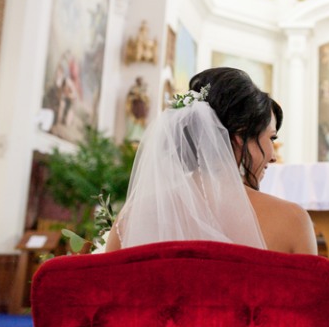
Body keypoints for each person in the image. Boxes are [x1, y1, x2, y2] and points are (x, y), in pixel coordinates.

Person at [107, 67, 317, 255]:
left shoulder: (130, 219)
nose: (273, 155)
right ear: (240, 137)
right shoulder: (291, 221)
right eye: (271, 138)